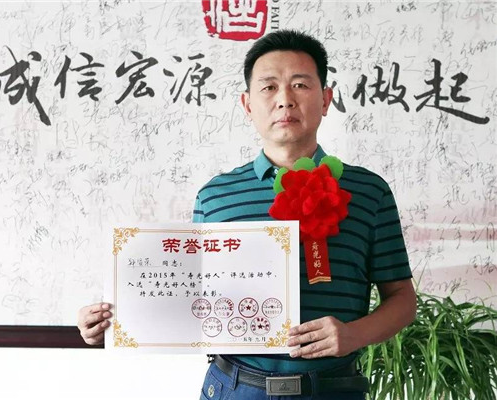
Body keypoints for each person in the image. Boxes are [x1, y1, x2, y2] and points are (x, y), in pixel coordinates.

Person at [77, 30, 417, 399]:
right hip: (236, 387)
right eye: (268, 87)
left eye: (300, 84)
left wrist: (353, 334)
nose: (285, 100)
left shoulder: (368, 191)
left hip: (333, 387)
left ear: (325, 99)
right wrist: (112, 321)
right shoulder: (216, 196)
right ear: (247, 104)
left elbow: (402, 297)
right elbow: (190, 296)